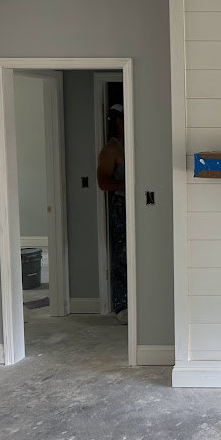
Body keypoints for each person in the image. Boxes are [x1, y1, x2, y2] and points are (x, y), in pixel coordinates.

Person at [96, 104, 128, 325]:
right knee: (121, 254)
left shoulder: (138, 142)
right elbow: (102, 182)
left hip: (142, 204)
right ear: (118, 121)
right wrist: (129, 184)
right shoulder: (111, 150)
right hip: (121, 205)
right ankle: (122, 305)